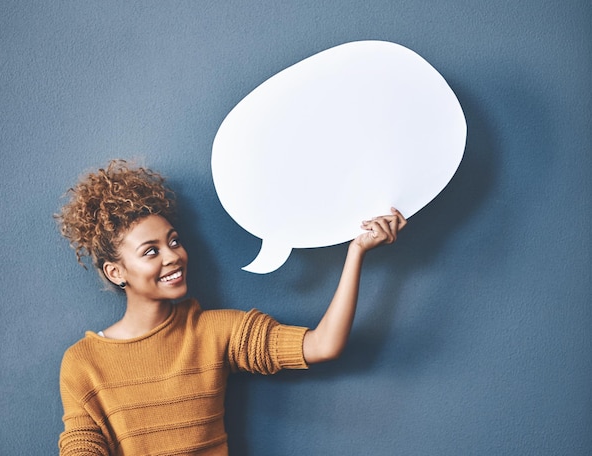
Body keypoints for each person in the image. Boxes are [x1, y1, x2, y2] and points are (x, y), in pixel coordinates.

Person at [56, 159, 406, 456]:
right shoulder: (83, 362)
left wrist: (356, 252)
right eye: (151, 251)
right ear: (116, 272)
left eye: (174, 241)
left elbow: (323, 345)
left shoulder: (214, 332)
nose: (174, 256)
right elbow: (81, 445)